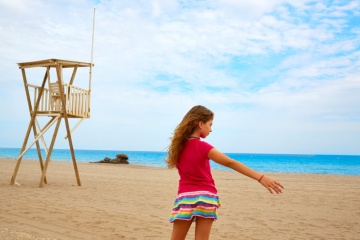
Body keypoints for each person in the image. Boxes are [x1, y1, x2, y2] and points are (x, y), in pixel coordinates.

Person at [167, 105, 284, 240]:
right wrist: (260, 177)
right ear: (200, 124)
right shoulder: (203, 147)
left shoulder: (178, 148)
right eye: (210, 125)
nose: (211, 129)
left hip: (185, 197)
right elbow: (230, 163)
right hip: (206, 196)